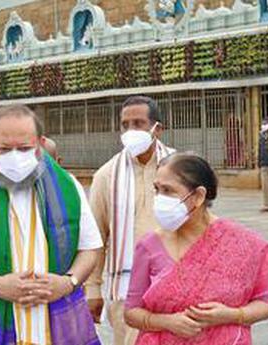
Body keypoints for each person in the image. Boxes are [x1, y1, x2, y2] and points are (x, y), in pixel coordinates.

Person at [0, 105, 103, 344]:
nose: (15, 156)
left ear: (41, 144)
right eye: (4, 149)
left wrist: (68, 283)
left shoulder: (69, 188)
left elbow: (90, 248)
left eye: (24, 148)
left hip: (60, 318)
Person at [124, 153, 268, 344]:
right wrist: (167, 322)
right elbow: (131, 313)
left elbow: (264, 305)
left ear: (198, 196)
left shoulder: (240, 243)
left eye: (168, 190)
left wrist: (232, 315)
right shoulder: (149, 245)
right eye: (157, 189)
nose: (159, 198)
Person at [87, 95, 174, 345]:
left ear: (158, 128)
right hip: (126, 291)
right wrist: (92, 288)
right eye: (125, 125)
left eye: (139, 123)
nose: (130, 131)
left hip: (176, 286)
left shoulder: (181, 168)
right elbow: (96, 237)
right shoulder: (106, 175)